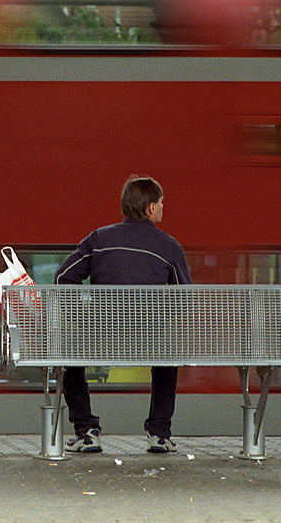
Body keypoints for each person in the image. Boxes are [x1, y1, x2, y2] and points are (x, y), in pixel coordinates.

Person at [56, 175, 192, 454]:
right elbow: (184, 298)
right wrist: (158, 318)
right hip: (149, 340)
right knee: (168, 356)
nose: (164, 207)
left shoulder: (99, 238)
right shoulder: (170, 246)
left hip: (99, 337)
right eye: (162, 202)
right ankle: (159, 433)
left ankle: (86, 432)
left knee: (69, 356)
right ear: (151, 208)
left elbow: (62, 279)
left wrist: (83, 316)